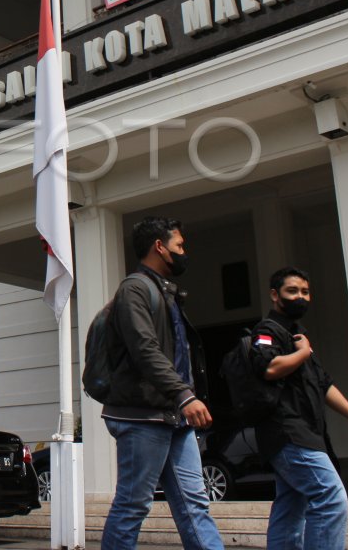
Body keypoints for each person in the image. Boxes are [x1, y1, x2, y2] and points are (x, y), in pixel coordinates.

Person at [99, 216, 224, 550]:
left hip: (172, 416)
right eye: (179, 246)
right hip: (142, 415)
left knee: (194, 505)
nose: (184, 252)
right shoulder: (135, 290)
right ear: (159, 247)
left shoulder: (165, 293)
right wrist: (185, 395)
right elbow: (145, 349)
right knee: (133, 505)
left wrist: (183, 400)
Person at [250, 267, 348, 550]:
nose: (300, 297)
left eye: (305, 292)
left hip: (307, 431)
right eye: (292, 291)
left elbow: (323, 385)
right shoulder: (267, 331)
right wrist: (301, 353)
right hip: (287, 432)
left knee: (291, 504)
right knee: (331, 497)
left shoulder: (298, 334)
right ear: (275, 295)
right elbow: (269, 367)